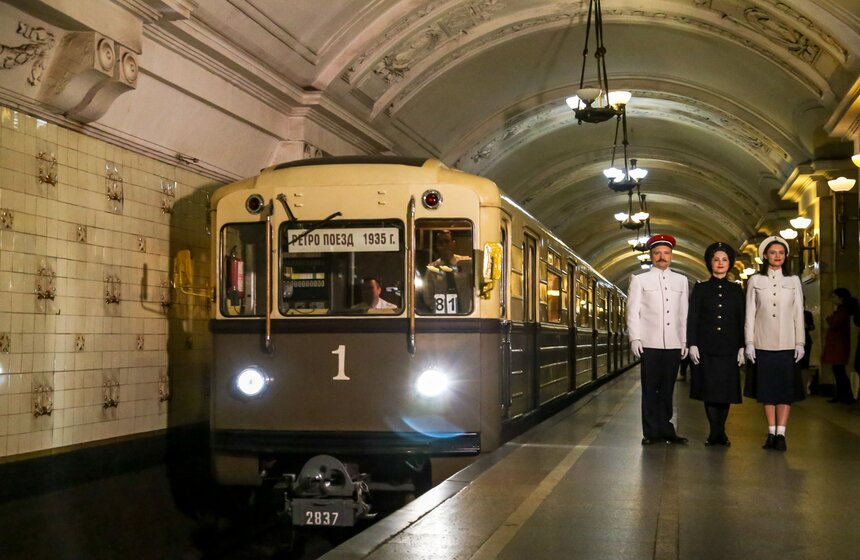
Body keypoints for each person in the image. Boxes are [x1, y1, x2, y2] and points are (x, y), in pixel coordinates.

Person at [744, 235, 805, 452]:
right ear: (765, 256)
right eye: (773, 252)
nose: (777, 256)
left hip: (788, 343)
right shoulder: (755, 281)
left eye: (781, 252)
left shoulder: (794, 281)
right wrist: (749, 342)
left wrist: (800, 342)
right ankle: (771, 431)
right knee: (767, 390)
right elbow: (750, 313)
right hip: (762, 342)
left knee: (785, 390)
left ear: (786, 256)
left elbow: (798, 313)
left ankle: (782, 434)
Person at [626, 234, 690, 445]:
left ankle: (666, 428)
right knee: (650, 388)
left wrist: (684, 341)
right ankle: (651, 432)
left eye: (666, 253)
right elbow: (633, 311)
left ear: (671, 255)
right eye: (657, 253)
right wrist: (635, 338)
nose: (662, 257)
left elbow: (684, 314)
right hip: (650, 343)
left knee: (667, 388)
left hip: (673, 343)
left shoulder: (681, 280)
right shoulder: (640, 279)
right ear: (651, 255)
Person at [687, 242, 745, 447]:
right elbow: (692, 317)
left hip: (729, 348)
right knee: (710, 390)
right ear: (710, 263)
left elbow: (742, 319)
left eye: (724, 260)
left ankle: (721, 431)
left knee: (725, 391)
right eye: (716, 259)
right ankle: (714, 432)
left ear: (730, 263)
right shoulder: (701, 289)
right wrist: (692, 343)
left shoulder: (737, 290)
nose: (720, 263)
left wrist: (742, 346)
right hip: (707, 347)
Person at [422, 230, 472, 314]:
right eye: (441, 242)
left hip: (467, 314)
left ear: (453, 244)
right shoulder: (432, 269)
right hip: (442, 316)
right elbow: (427, 296)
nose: (444, 245)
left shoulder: (467, 264)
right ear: (437, 246)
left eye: (447, 241)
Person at [822, 288, 858, 404]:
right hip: (838, 345)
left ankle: (845, 395)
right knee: (838, 371)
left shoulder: (843, 311)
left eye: (834, 297)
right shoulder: (842, 310)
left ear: (841, 298)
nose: (832, 299)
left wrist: (829, 318)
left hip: (839, 345)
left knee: (839, 371)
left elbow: (834, 324)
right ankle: (842, 395)